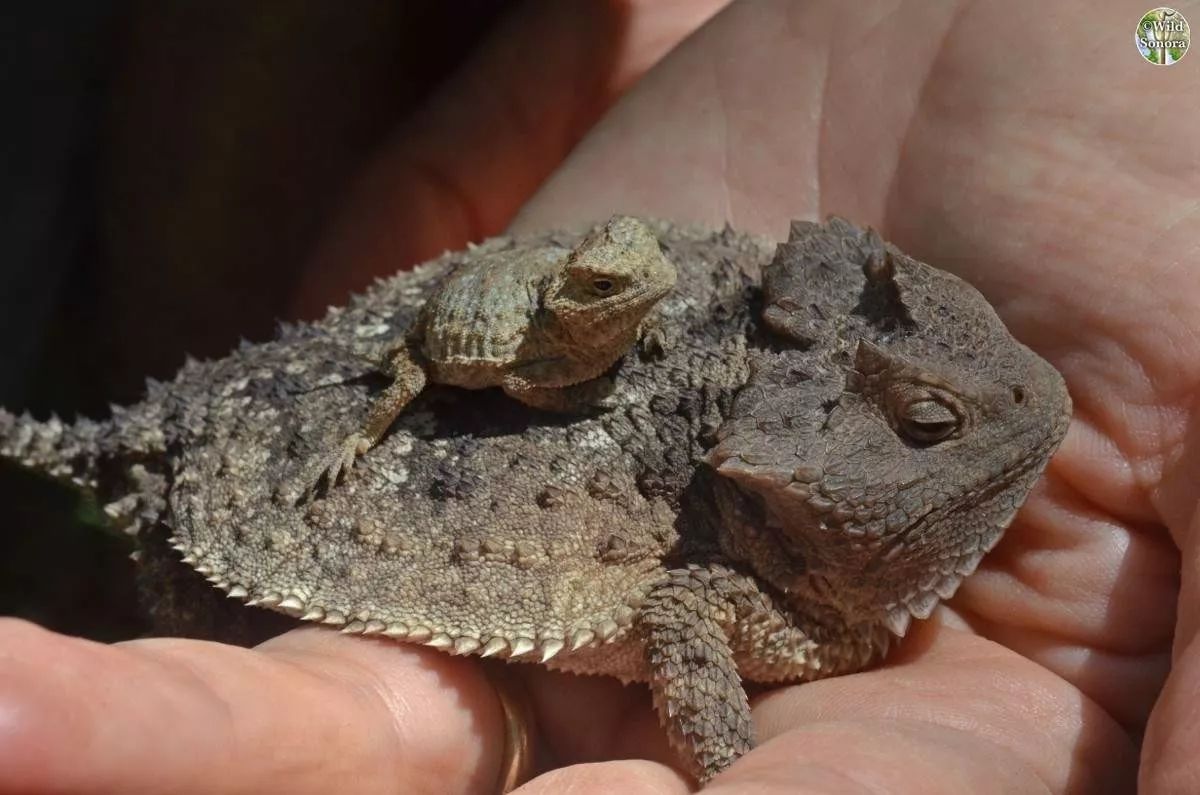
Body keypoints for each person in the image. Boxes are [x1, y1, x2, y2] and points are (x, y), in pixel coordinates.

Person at [2, 1, 1195, 791]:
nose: (1030, 399)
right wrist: (726, 761)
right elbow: (685, 615)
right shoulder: (748, 572)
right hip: (243, 474)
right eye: (926, 428)